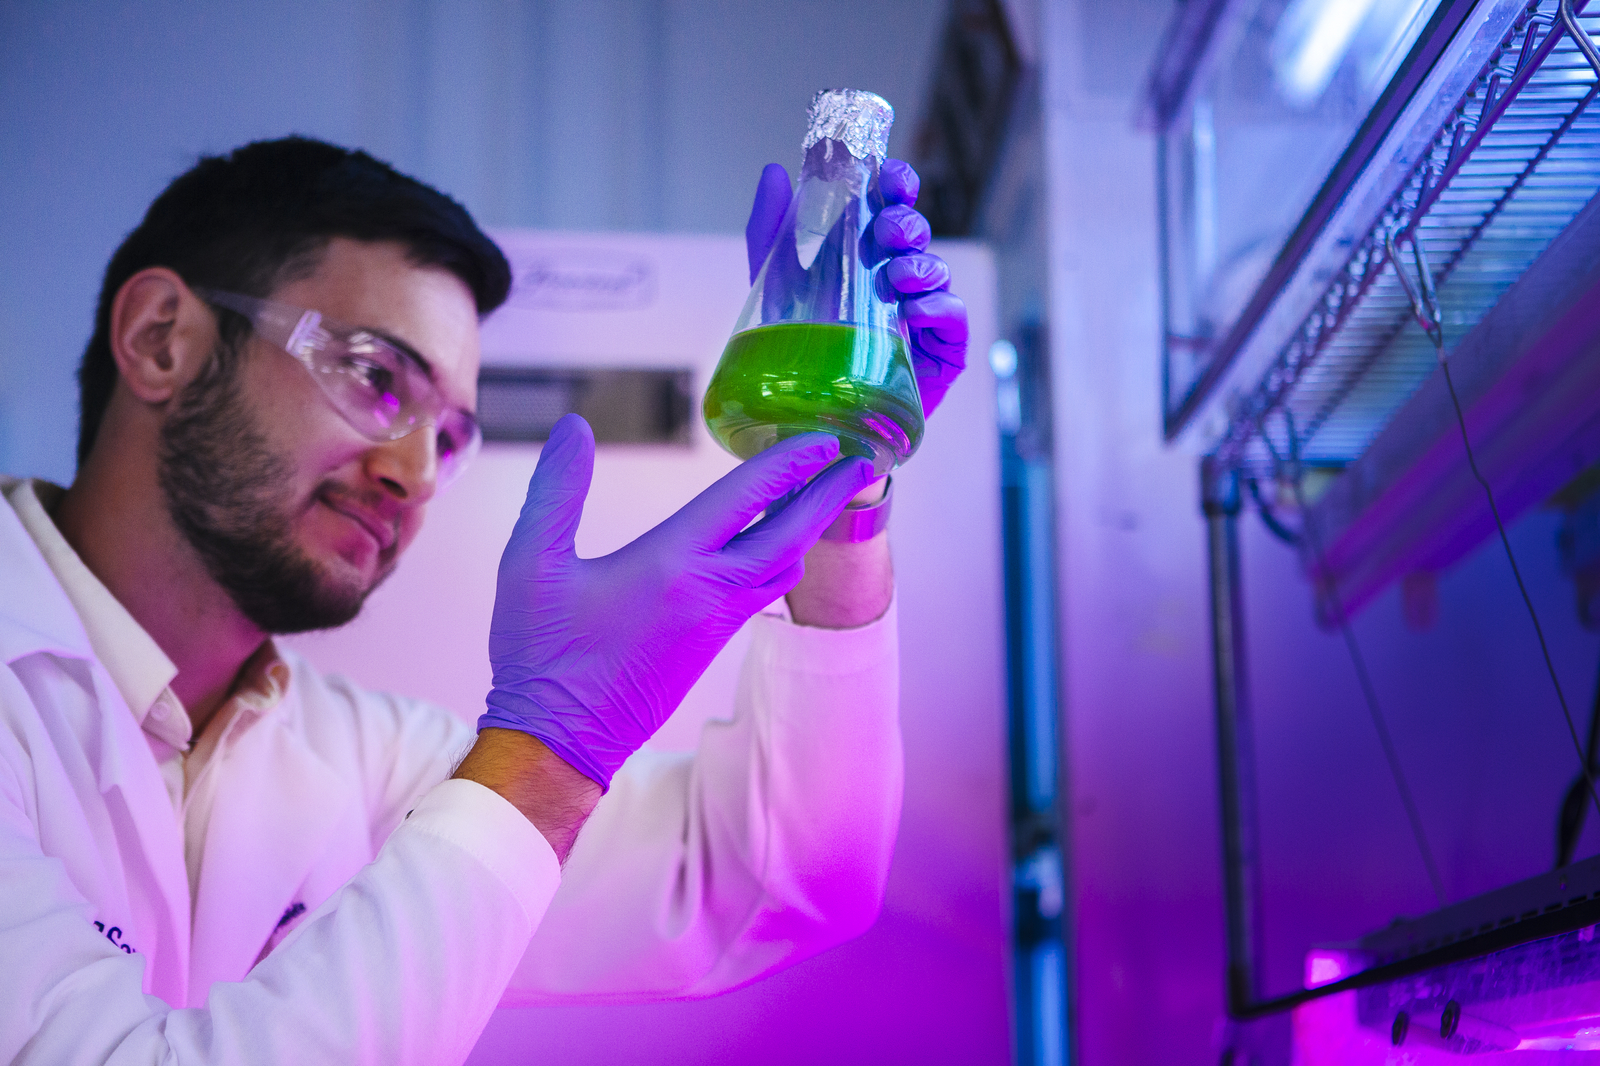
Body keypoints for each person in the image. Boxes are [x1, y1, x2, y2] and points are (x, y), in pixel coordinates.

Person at [0, 136, 968, 1064]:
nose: (415, 472)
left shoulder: (352, 755)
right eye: (376, 377)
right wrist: (548, 752)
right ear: (160, 338)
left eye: (451, 434)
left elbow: (777, 878)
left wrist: (846, 479)